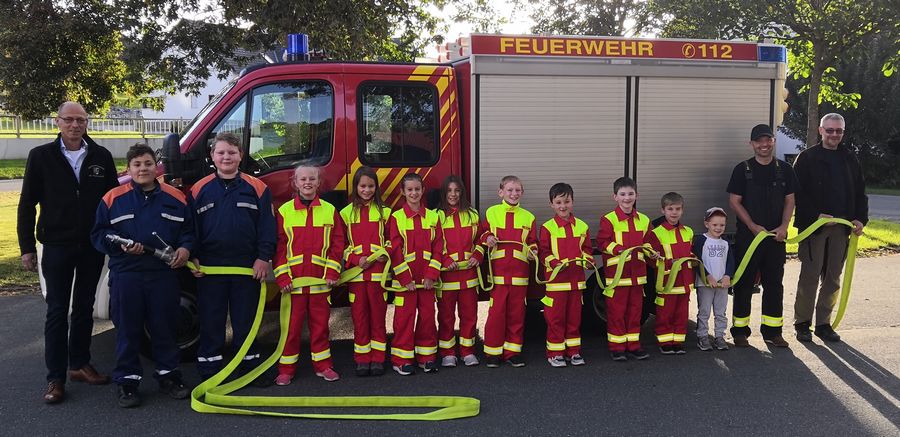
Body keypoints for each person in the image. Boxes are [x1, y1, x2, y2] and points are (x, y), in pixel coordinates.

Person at [18, 101, 119, 404]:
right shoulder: (41, 157)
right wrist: (26, 247)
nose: (75, 125)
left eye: (81, 120)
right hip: (57, 245)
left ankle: (79, 365)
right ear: (58, 122)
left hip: (91, 244)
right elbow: (26, 205)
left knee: (85, 307)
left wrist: (115, 239)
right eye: (69, 120)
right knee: (58, 311)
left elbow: (112, 201)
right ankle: (55, 378)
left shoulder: (101, 156)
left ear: (87, 123)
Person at [91, 144, 194, 408]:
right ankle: (127, 382)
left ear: (155, 167)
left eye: (148, 163)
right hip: (127, 274)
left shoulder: (176, 197)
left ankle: (169, 376)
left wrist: (185, 248)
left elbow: (189, 231)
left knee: (164, 328)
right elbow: (98, 234)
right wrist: (118, 245)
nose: (143, 169)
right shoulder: (113, 198)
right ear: (129, 168)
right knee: (128, 329)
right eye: (137, 165)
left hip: (163, 274)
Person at [188, 132, 276, 383]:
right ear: (212, 156)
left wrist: (263, 258)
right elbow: (191, 228)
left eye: (232, 152)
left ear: (240, 156)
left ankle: (249, 367)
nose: (226, 157)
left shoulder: (257, 188)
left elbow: (267, 227)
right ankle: (210, 369)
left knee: (245, 319)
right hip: (209, 268)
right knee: (211, 319)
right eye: (221, 152)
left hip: (246, 268)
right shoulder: (199, 189)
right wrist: (192, 256)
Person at [793, 113, 867, 343]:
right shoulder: (806, 158)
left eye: (839, 131)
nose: (834, 135)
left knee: (833, 278)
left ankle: (823, 324)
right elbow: (797, 193)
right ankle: (802, 323)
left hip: (842, 228)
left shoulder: (850, 159)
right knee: (810, 276)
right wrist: (816, 215)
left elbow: (859, 192)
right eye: (830, 130)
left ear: (843, 133)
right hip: (815, 227)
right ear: (821, 131)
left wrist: (860, 219)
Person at [726, 124, 797, 348]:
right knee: (744, 283)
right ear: (752, 144)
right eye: (759, 141)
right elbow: (734, 202)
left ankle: (773, 332)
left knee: (774, 284)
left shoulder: (784, 169)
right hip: (749, 237)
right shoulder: (742, 169)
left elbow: (790, 200)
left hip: (776, 237)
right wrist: (752, 226)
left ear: (773, 141)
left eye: (768, 140)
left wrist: (784, 226)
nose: (764, 145)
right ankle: (740, 332)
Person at [274, 165, 344, 384]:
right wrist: (283, 277)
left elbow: (337, 244)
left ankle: (323, 366)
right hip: (293, 285)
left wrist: (333, 270)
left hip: (321, 283)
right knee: (291, 330)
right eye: (303, 179)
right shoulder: (285, 211)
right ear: (295, 182)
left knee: (320, 327)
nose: (307, 182)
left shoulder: (329, 210)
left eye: (311, 179)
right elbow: (279, 247)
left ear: (318, 182)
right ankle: (286, 369)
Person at [387, 173, 444, 375]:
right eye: (409, 190)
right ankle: (401, 359)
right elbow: (394, 250)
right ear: (403, 192)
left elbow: (439, 248)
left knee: (428, 319)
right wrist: (405, 279)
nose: (414, 193)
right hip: (406, 284)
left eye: (417, 189)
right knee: (404, 320)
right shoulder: (396, 218)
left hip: (427, 282)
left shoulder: (433, 217)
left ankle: (426, 358)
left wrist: (431, 275)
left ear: (423, 190)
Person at [480, 175, 537, 368]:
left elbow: (532, 242)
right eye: (510, 190)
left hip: (520, 276)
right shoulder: (491, 212)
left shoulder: (529, 217)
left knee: (517, 314)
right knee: (496, 315)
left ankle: (512, 352)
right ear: (501, 192)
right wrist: (487, 237)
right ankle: (492, 353)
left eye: (518, 190)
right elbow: (483, 231)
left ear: (522, 193)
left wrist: (533, 251)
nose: (514, 194)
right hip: (498, 275)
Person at [339, 166, 391, 377]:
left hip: (379, 275)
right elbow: (339, 244)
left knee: (378, 319)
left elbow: (393, 241)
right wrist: (354, 259)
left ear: (376, 188)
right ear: (356, 187)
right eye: (363, 186)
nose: (367, 190)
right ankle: (362, 359)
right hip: (356, 275)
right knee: (359, 319)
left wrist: (384, 254)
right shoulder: (345, 213)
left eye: (371, 186)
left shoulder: (386, 213)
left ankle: (378, 359)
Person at [597, 177, 654, 361]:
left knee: (635, 313)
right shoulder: (609, 219)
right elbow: (602, 242)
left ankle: (634, 346)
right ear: (615, 197)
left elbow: (650, 242)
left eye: (630, 194)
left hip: (637, 277)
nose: (627, 198)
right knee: (616, 313)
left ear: (637, 195)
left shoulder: (644, 220)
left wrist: (652, 253)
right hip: (617, 278)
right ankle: (617, 347)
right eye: (622, 194)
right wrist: (618, 249)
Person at [538, 183, 591, 367]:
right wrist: (554, 263)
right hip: (556, 284)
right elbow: (543, 252)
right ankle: (555, 353)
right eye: (558, 202)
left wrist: (588, 260)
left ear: (573, 202)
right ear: (551, 204)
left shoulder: (582, 226)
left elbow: (586, 249)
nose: (563, 206)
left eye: (566, 201)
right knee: (555, 319)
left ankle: (574, 352)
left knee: (574, 319)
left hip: (576, 283)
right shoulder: (547, 227)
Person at [436, 176, 484, 368]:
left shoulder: (472, 214)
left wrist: (478, 256)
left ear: (462, 192)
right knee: (446, 316)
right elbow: (434, 242)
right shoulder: (436, 216)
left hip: (469, 276)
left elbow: (481, 239)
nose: (453, 194)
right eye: (449, 191)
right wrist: (445, 259)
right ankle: (448, 353)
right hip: (447, 277)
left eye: (457, 190)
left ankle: (467, 351)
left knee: (469, 315)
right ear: (444, 193)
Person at [646, 192, 695, 355]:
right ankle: (665, 342)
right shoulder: (656, 233)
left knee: (681, 314)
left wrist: (693, 258)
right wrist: (668, 262)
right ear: (663, 211)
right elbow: (651, 261)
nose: (674, 212)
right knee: (664, 314)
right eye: (670, 209)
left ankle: (678, 341)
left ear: (682, 210)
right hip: (666, 283)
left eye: (678, 209)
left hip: (684, 282)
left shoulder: (688, 231)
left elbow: (690, 252)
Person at [691, 207, 735, 351]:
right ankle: (702, 336)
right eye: (714, 224)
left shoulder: (725, 243)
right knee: (704, 311)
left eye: (722, 225)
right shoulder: (700, 241)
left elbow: (730, 261)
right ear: (706, 224)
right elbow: (696, 261)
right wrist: (707, 276)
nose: (718, 228)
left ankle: (719, 336)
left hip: (722, 285)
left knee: (721, 312)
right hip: (705, 284)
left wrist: (727, 275)